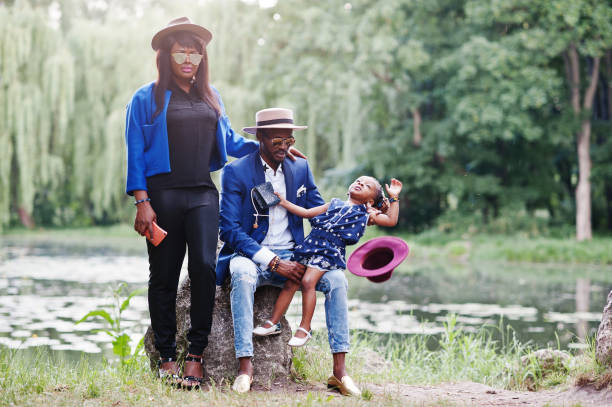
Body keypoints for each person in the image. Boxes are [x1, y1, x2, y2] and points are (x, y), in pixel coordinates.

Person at [124, 18, 304, 389]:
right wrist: (142, 200)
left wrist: (270, 145)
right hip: (162, 195)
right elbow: (135, 153)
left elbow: (230, 143)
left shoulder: (211, 96)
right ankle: (168, 357)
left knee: (205, 267)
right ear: (166, 54)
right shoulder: (146, 98)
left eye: (195, 51)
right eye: (181, 50)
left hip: (203, 194)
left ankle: (196, 355)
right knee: (163, 276)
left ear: (202, 55)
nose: (189, 57)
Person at [217, 108, 361, 395]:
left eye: (290, 141)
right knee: (242, 275)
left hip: (298, 256)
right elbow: (230, 230)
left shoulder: (300, 168)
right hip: (253, 255)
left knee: (337, 281)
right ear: (260, 137)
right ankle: (245, 368)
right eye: (277, 141)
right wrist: (272, 261)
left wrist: (358, 211)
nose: (284, 147)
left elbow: (320, 213)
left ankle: (339, 373)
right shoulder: (236, 171)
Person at [253, 176, 402, 352]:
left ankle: (305, 328)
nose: (360, 183)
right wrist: (283, 202)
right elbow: (306, 213)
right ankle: (274, 321)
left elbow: (391, 220)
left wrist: (393, 197)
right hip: (310, 246)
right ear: (349, 188)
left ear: (370, 200)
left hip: (329, 252)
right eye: (358, 181)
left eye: (367, 185)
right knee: (291, 281)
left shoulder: (367, 215)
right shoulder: (334, 203)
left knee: (308, 282)